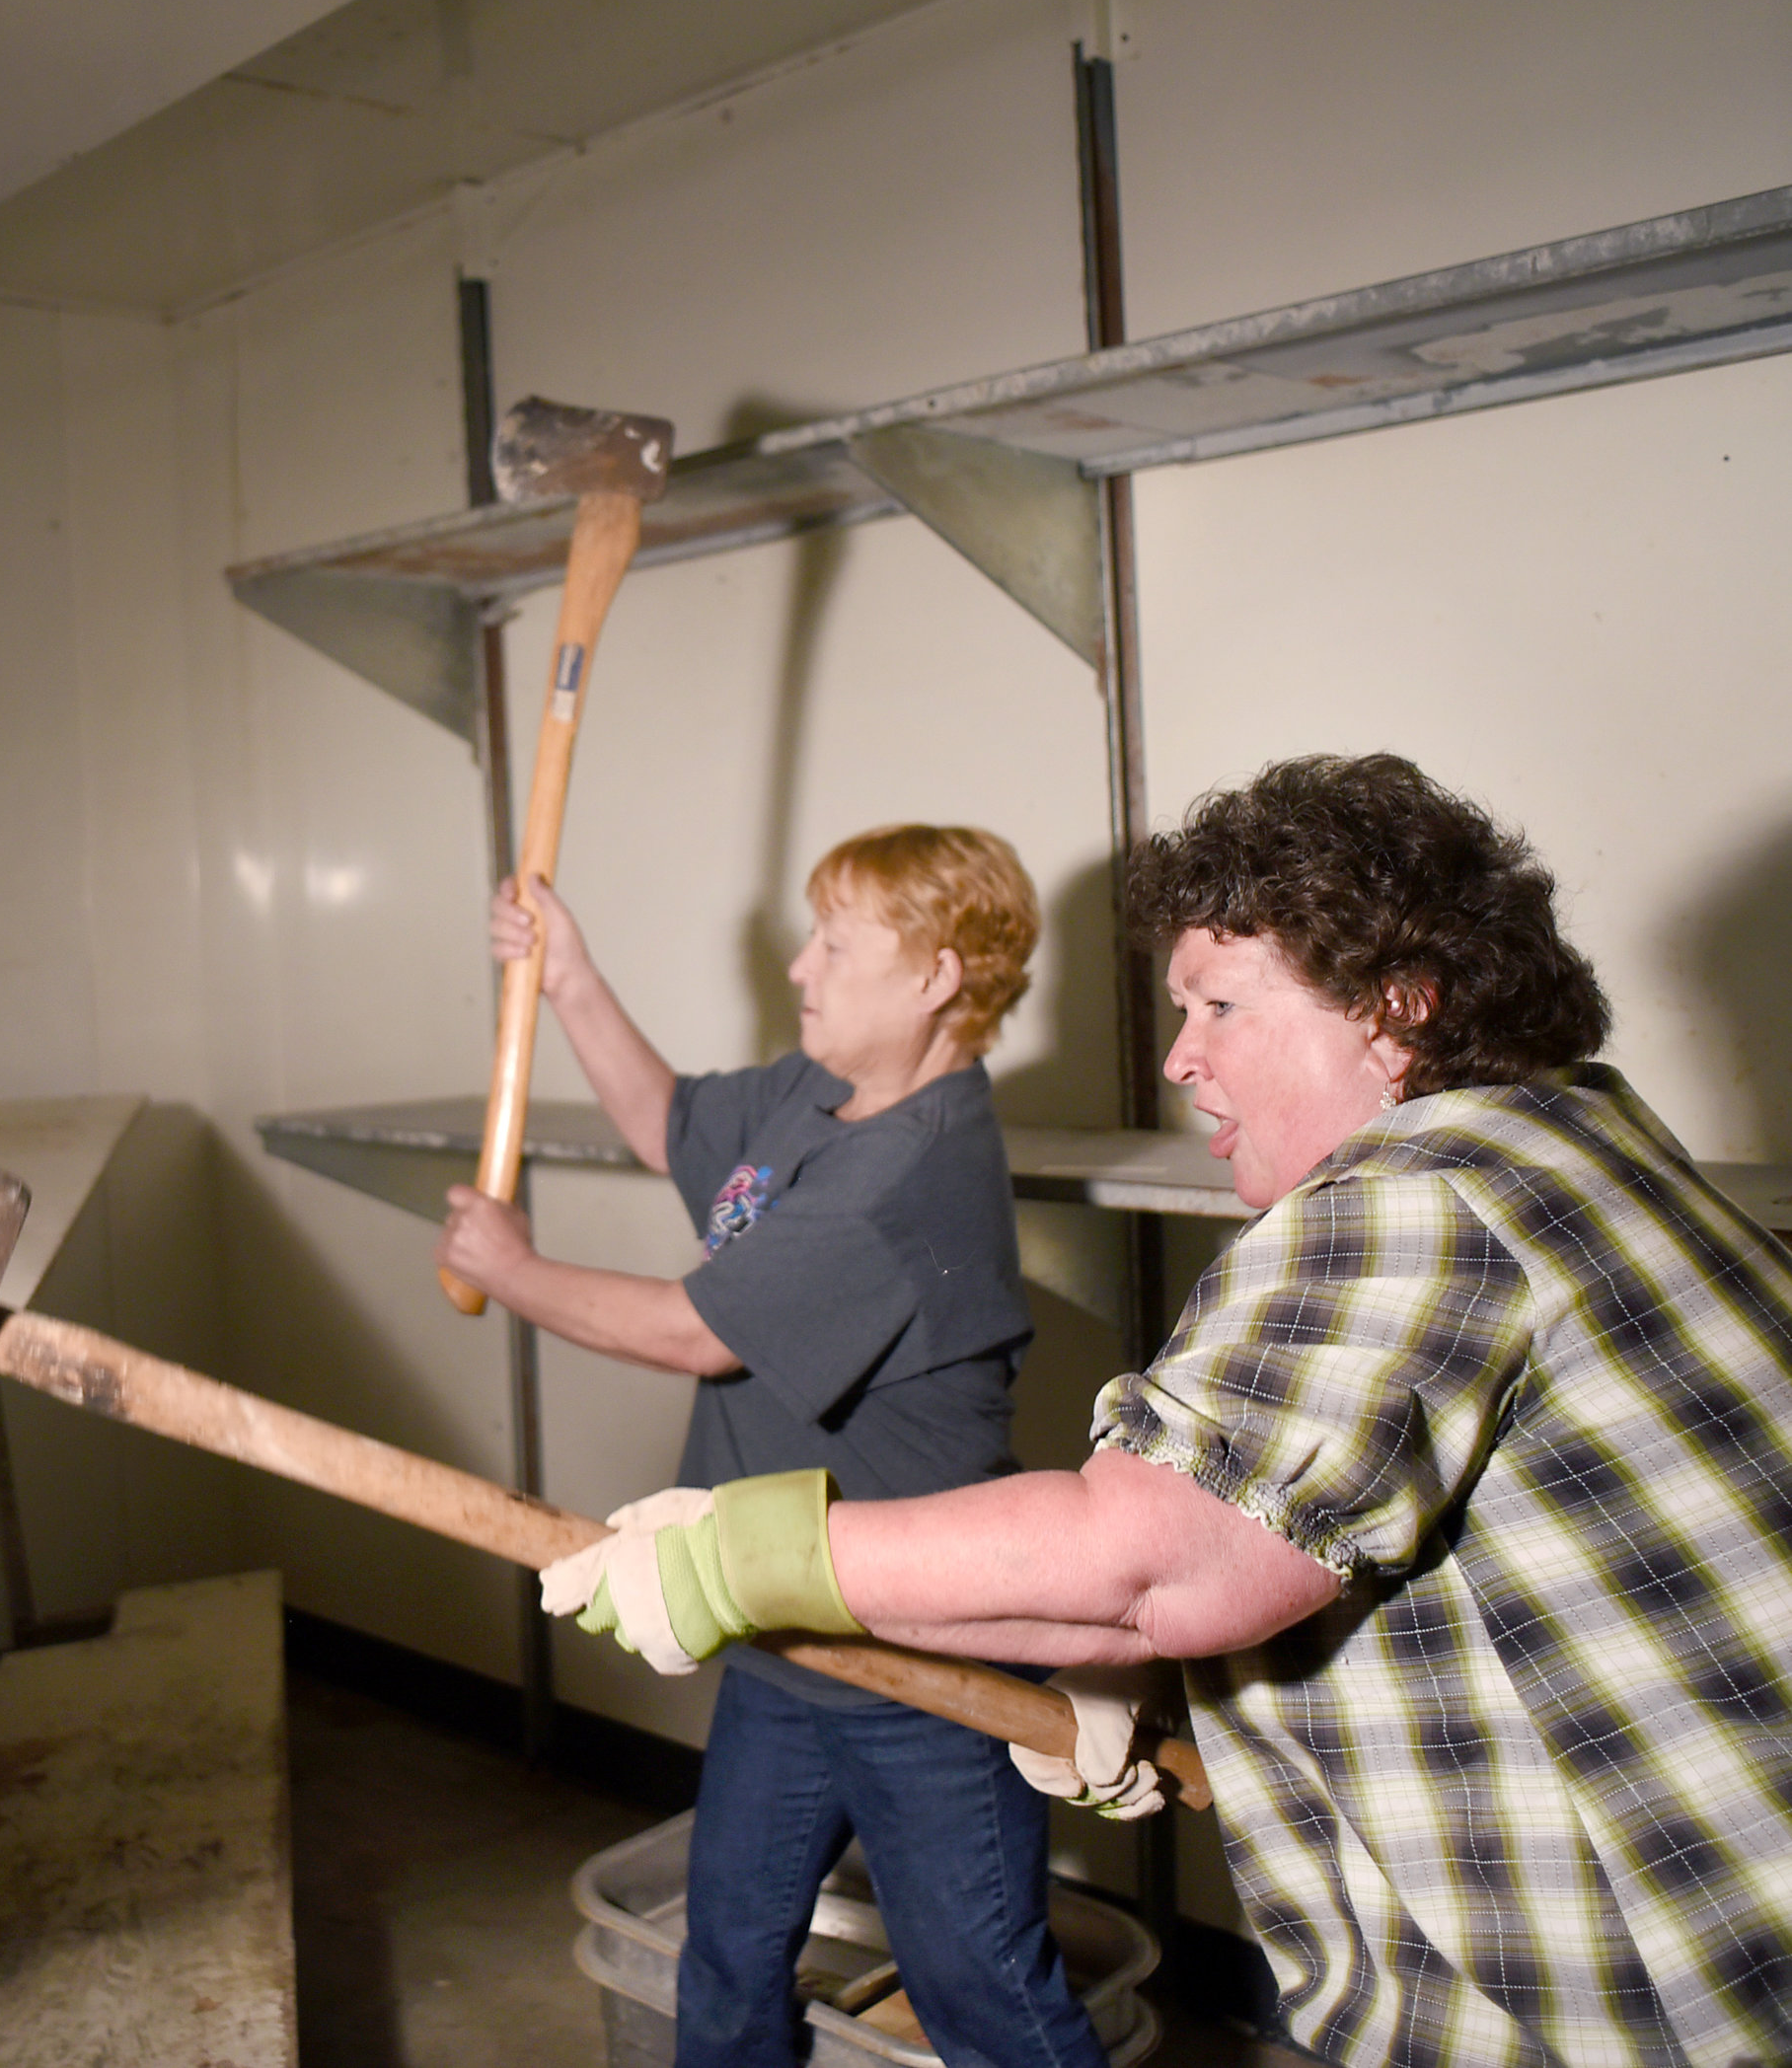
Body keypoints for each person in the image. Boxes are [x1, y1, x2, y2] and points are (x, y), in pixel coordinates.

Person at [541, 754, 1792, 2068]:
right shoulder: (1585, 1144)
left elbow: (1150, 1558)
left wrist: (737, 1556)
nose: (1182, 1054)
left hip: (1640, 2006)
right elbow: (1266, 1547)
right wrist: (1116, 1683)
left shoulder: (1419, 1199)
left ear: (1396, 1008)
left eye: (1222, 1005)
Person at [437, 826, 1107, 2068]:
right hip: (778, 1628)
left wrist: (512, 1270)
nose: (801, 968)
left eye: (834, 944)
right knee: (729, 1960)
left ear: (936, 977)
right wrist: (570, 973)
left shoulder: (915, 1170)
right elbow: (670, 1126)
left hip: (921, 1657)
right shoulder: (819, 1092)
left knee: (985, 1995)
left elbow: (697, 1334)